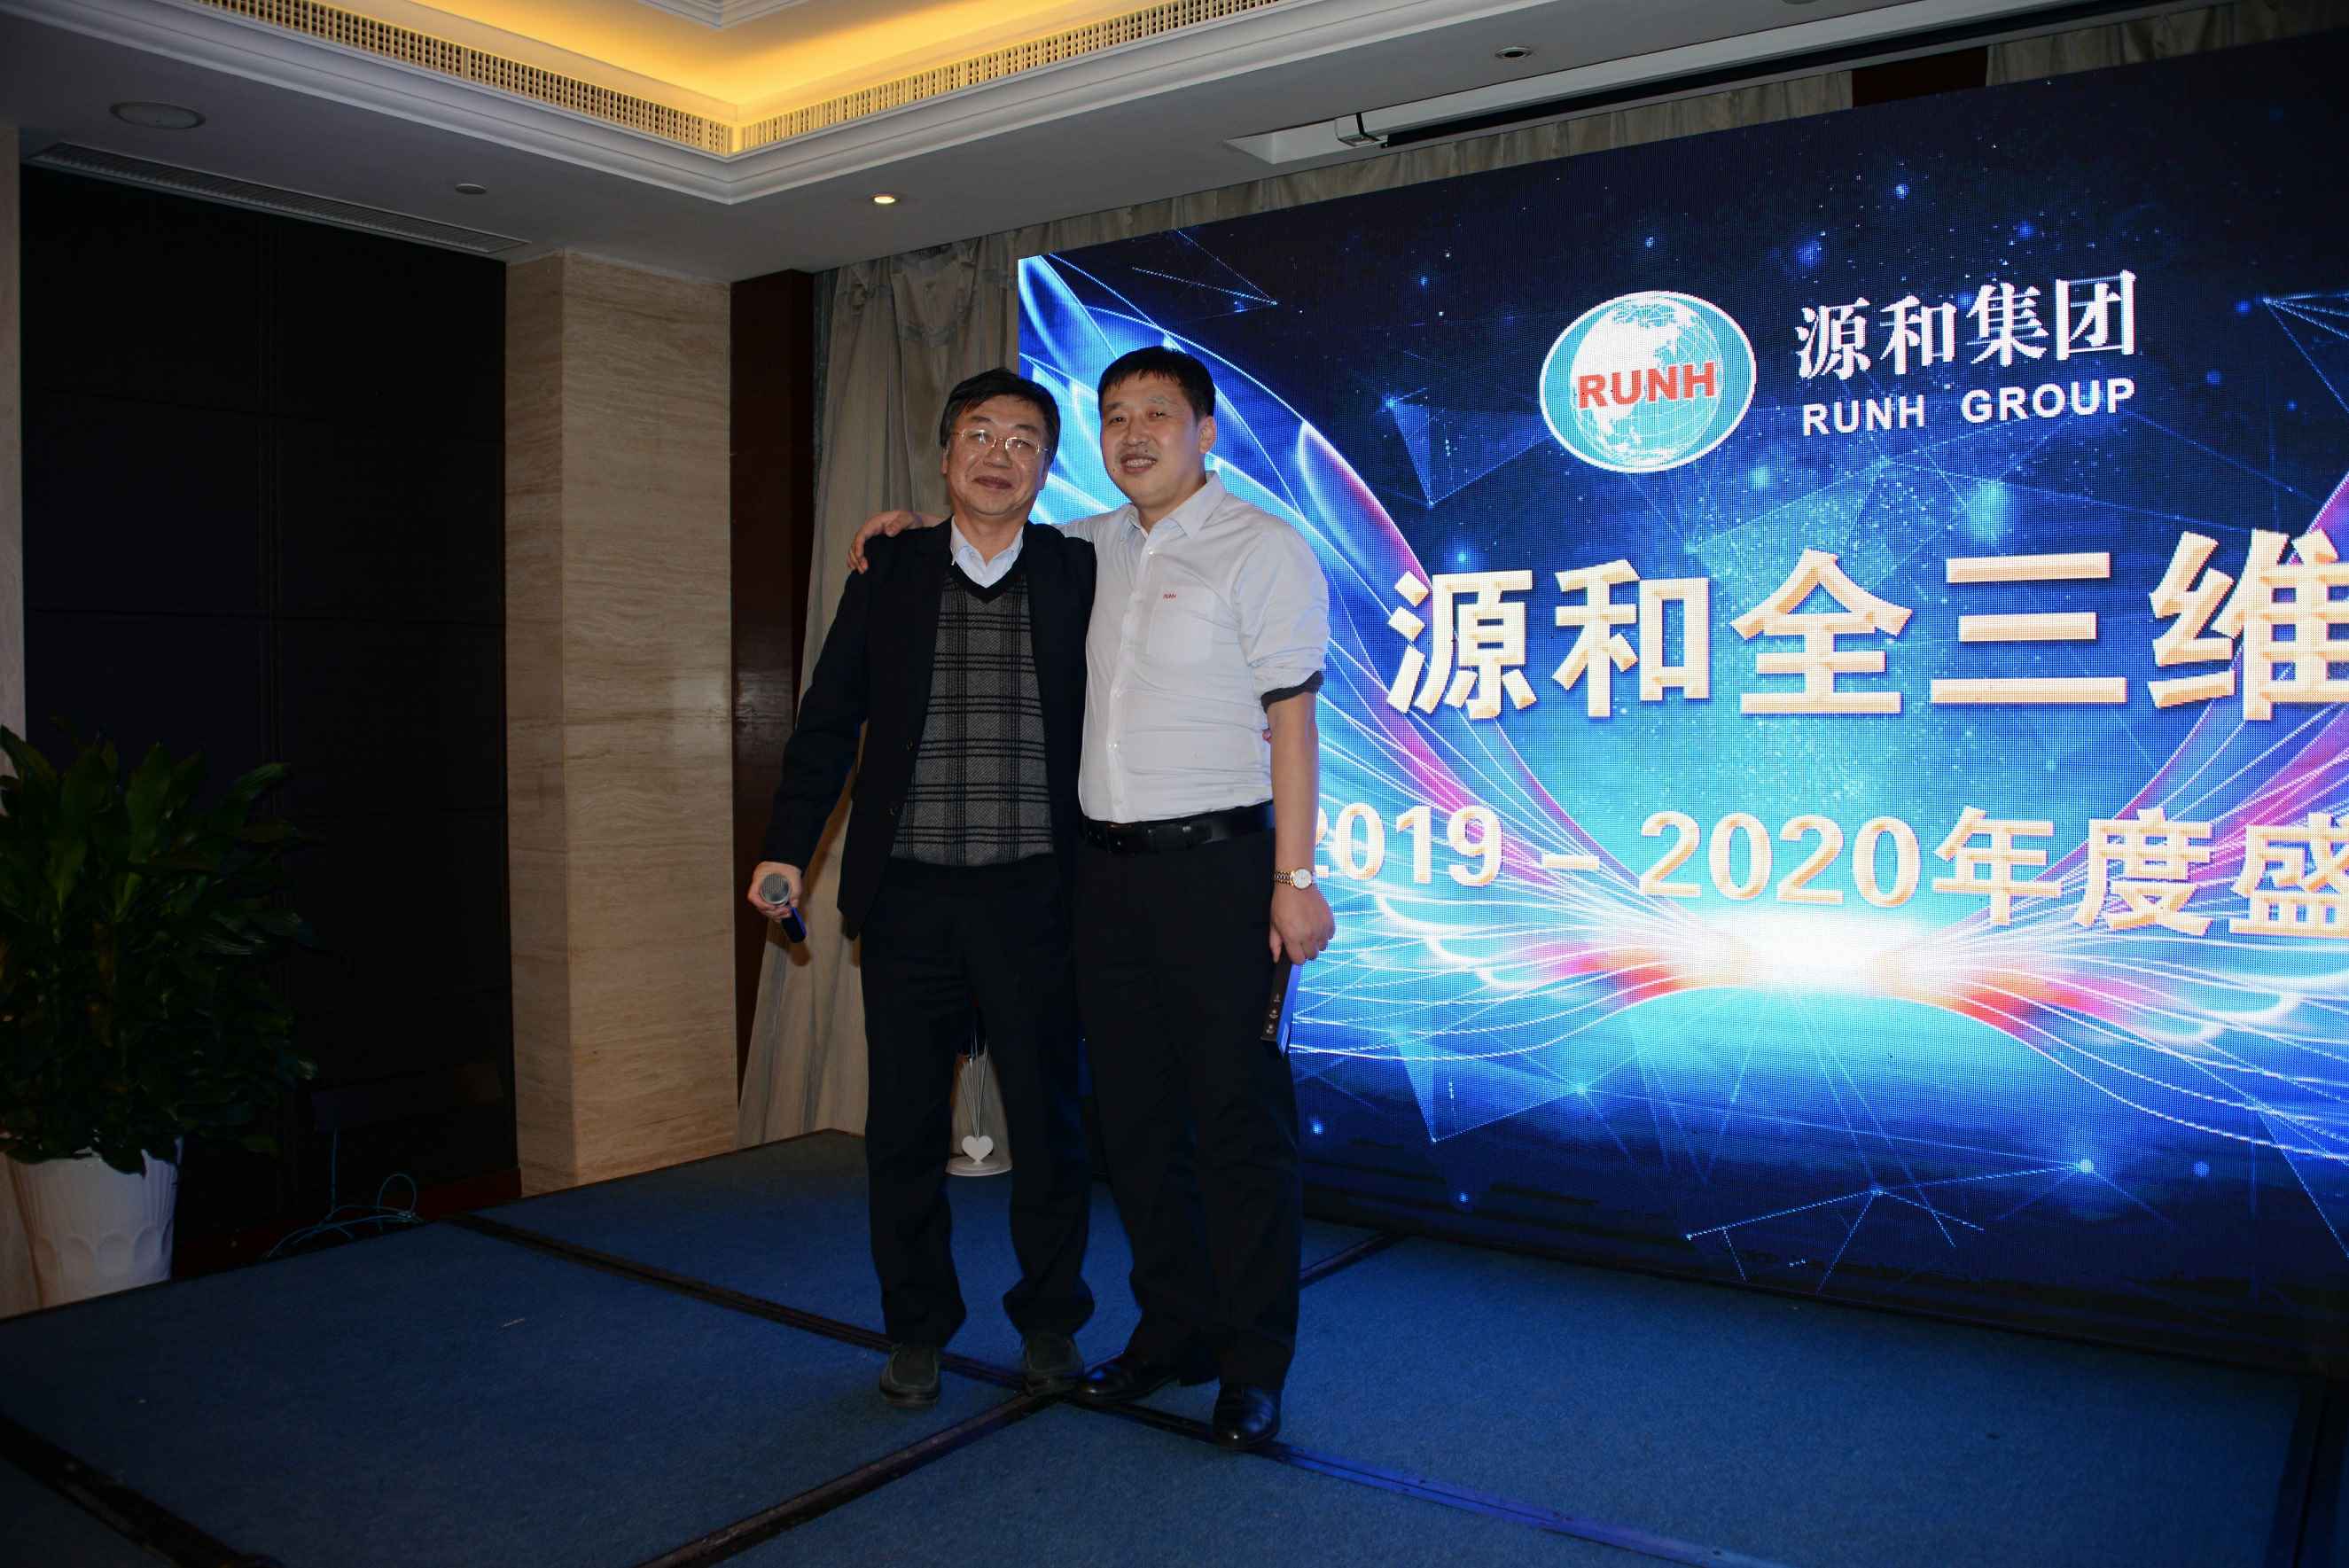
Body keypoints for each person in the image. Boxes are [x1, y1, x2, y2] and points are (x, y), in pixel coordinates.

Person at [851, 347, 1334, 1449]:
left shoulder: (1262, 545)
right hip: (1098, 878)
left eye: (1157, 413)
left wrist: (1294, 877)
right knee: (1133, 1126)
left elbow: (1293, 720)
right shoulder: (1085, 547)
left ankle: (1253, 1363)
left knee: (1236, 1126)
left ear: (1205, 431)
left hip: (1220, 871)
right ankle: (1172, 1332)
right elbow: (981, 538)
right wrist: (902, 533)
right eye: (1115, 415)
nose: (1133, 433)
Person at [749, 368, 1096, 1409]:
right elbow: (828, 722)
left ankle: (1048, 1320)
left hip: (1039, 898)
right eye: (979, 434)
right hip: (907, 901)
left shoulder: (1081, 570)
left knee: (1049, 1124)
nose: (999, 455)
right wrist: (785, 848)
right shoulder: (889, 569)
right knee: (903, 1130)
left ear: (1045, 469)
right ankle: (914, 1327)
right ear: (945, 457)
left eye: (1024, 441)